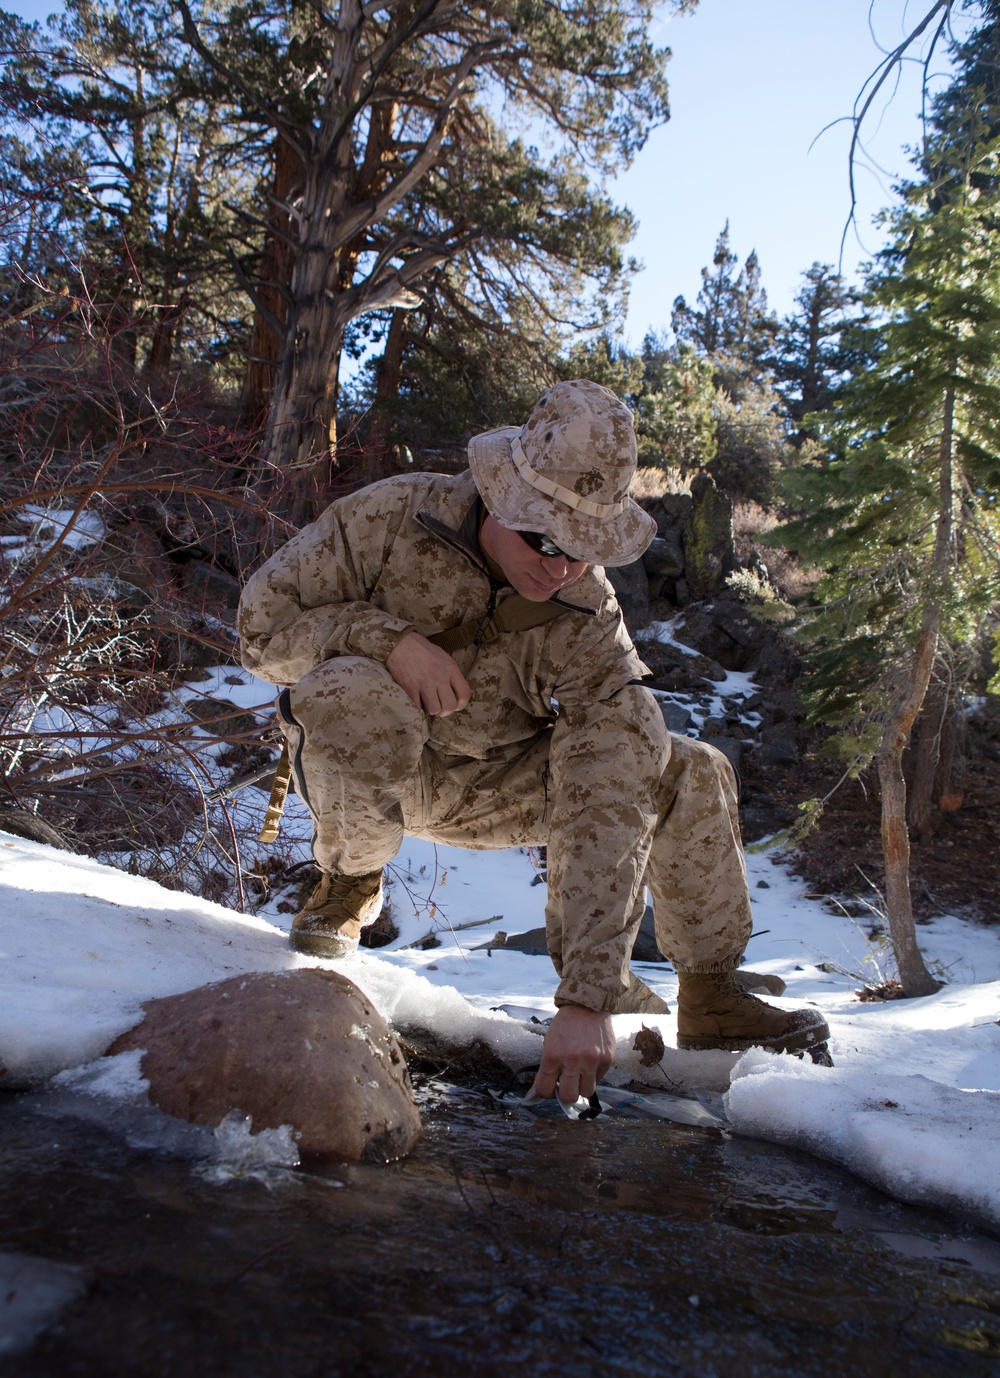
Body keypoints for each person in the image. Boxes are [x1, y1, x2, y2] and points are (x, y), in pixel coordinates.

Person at [238, 380, 829, 1102]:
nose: (560, 568)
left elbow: (610, 783)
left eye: (583, 551)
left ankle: (711, 995)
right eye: (543, 541)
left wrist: (588, 997)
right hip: (383, 763)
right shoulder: (388, 518)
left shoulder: (588, 612)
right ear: (498, 496)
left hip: (504, 786)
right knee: (349, 693)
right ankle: (348, 885)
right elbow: (260, 633)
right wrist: (385, 640)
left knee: (684, 765)